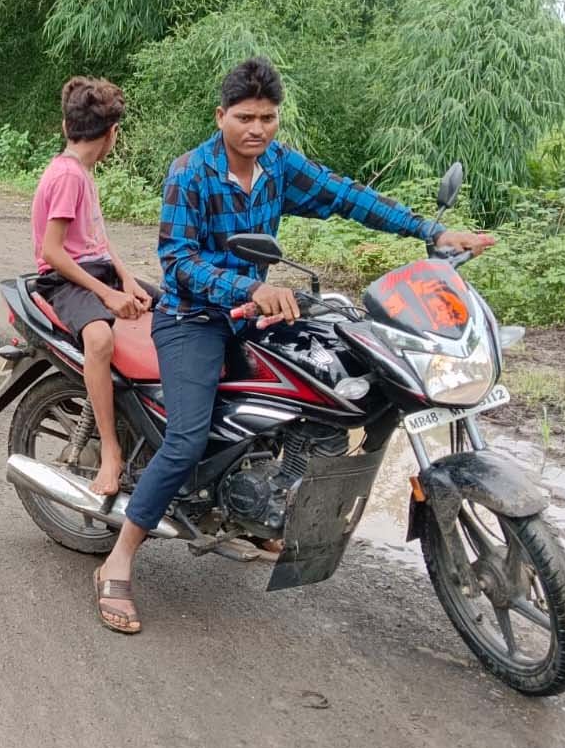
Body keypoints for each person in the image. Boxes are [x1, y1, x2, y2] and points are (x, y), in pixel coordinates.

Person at [91, 57, 497, 635]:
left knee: (334, 383)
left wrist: (430, 232)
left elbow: (346, 196)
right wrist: (251, 288)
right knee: (184, 440)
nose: (257, 129)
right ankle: (120, 559)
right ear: (221, 116)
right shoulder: (191, 173)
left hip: (257, 312)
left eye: (268, 118)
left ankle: (270, 500)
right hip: (194, 319)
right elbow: (178, 264)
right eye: (246, 117)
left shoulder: (278, 164)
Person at [30, 77, 152, 496]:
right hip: (65, 279)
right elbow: (53, 251)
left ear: (67, 126)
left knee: (174, 309)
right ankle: (111, 453)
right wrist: (107, 294)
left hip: (97, 270)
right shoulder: (67, 175)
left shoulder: (81, 169)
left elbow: (97, 239)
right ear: (113, 133)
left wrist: (127, 278)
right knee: (100, 340)